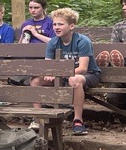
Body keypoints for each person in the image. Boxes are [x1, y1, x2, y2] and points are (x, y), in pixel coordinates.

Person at [32, 8, 101, 136]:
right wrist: (48, 73)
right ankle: (38, 118)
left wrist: (58, 73)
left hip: (88, 75)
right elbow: (48, 65)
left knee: (74, 79)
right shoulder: (53, 42)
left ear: (71, 26)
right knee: (35, 81)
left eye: (60, 24)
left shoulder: (82, 41)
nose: (56, 27)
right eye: (54, 24)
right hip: (61, 75)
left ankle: (78, 120)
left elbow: (83, 68)